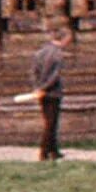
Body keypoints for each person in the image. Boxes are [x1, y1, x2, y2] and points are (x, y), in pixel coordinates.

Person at [29, 21, 70, 162]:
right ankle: (44, 152)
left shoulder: (40, 52)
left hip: (41, 92)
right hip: (52, 93)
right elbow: (54, 75)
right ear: (63, 39)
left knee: (49, 120)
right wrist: (45, 87)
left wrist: (37, 87)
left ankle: (54, 150)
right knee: (51, 123)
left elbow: (34, 72)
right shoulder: (58, 54)